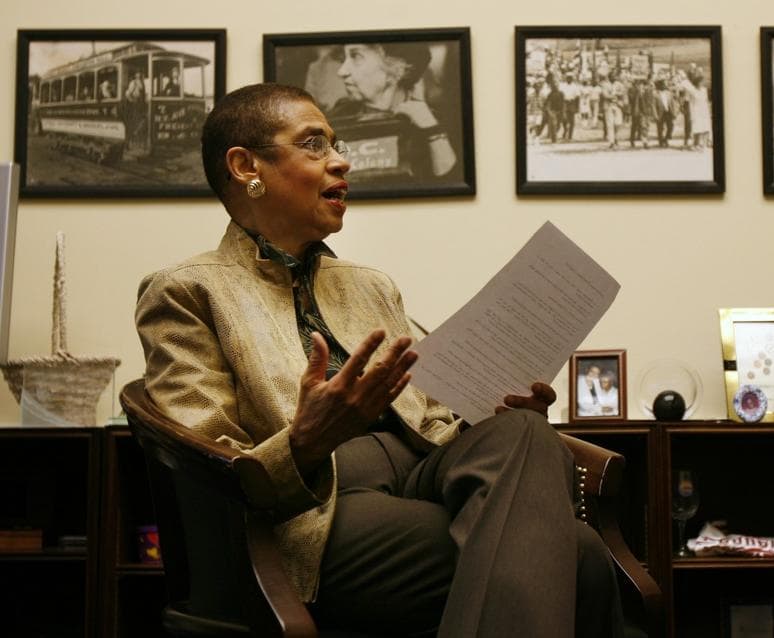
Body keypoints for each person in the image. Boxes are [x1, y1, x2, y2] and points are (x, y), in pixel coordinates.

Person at [134, 82, 623, 638]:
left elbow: (432, 416)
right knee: (578, 553)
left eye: (336, 145)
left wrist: (492, 406)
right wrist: (306, 442)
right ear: (247, 166)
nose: (342, 161)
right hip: (317, 504)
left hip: (421, 469)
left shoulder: (370, 286)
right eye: (315, 144)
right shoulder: (186, 291)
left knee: (527, 433)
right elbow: (212, 463)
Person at [331, 43, 458, 182]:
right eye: (344, 58)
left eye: (356, 56)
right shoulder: (339, 116)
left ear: (397, 69)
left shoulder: (434, 121)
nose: (341, 71)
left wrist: (432, 130)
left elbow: (452, 187)